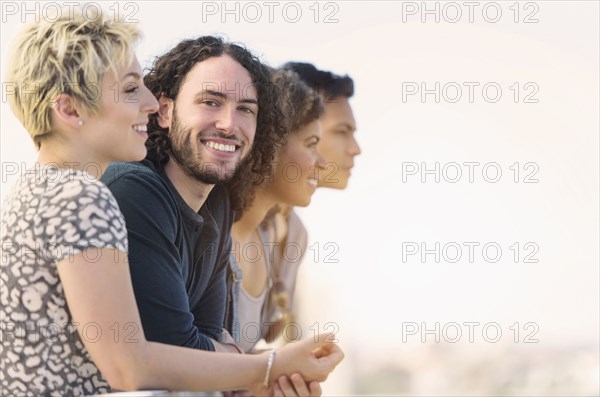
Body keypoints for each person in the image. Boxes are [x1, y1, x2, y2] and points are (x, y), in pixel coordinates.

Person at [0, 11, 342, 397]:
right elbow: (130, 368)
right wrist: (269, 366)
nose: (149, 100)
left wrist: (250, 368)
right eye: (131, 89)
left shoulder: (46, 189)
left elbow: (201, 340)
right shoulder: (83, 197)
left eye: (246, 108)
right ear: (70, 110)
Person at [225, 69, 324, 354]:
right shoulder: (209, 233)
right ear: (269, 143)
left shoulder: (268, 237)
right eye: (311, 145)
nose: (322, 163)